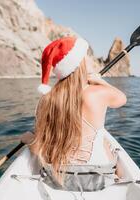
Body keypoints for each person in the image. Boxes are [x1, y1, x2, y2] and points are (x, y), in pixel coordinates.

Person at [21, 36, 127, 184]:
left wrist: (28, 139)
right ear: (80, 64)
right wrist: (101, 82)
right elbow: (122, 99)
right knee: (104, 142)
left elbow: (38, 147)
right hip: (99, 176)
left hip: (59, 176)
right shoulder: (97, 93)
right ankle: (120, 180)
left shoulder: (46, 100)